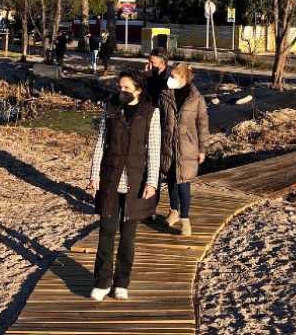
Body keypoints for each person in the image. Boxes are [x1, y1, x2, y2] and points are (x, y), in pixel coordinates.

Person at [87, 71, 160, 301]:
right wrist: (94, 175)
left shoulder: (151, 112)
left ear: (138, 89)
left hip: (136, 183)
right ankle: (102, 282)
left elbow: (155, 149)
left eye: (126, 88)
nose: (121, 92)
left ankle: (122, 282)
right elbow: (101, 142)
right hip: (110, 179)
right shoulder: (110, 108)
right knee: (106, 231)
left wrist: (152, 182)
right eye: (120, 87)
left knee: (128, 237)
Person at [159, 63, 208, 236]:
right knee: (171, 180)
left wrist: (202, 149)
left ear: (184, 78)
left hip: (187, 147)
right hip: (167, 146)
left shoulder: (196, 98)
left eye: (174, 76)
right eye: (170, 76)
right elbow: (159, 120)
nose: (170, 79)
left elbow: (202, 124)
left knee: (183, 183)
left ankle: (185, 219)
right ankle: (174, 211)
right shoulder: (164, 95)